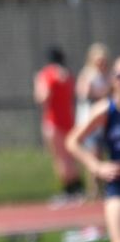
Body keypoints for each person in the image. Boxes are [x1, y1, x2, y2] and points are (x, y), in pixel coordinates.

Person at [67, 57, 120, 242]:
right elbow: (72, 141)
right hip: (117, 190)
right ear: (114, 80)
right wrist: (97, 166)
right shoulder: (106, 110)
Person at [34, 46, 83, 204]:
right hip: (68, 119)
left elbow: (43, 97)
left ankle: (69, 190)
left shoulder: (46, 74)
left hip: (53, 121)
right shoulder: (67, 74)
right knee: (69, 156)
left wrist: (37, 84)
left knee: (60, 158)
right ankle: (77, 188)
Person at [75, 43, 112, 200]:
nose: (101, 63)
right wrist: (99, 93)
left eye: (103, 60)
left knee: (103, 153)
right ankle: (94, 189)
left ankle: (104, 187)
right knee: (93, 153)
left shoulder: (109, 75)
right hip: (90, 120)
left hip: (106, 120)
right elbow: (83, 93)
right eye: (98, 60)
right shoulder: (88, 75)